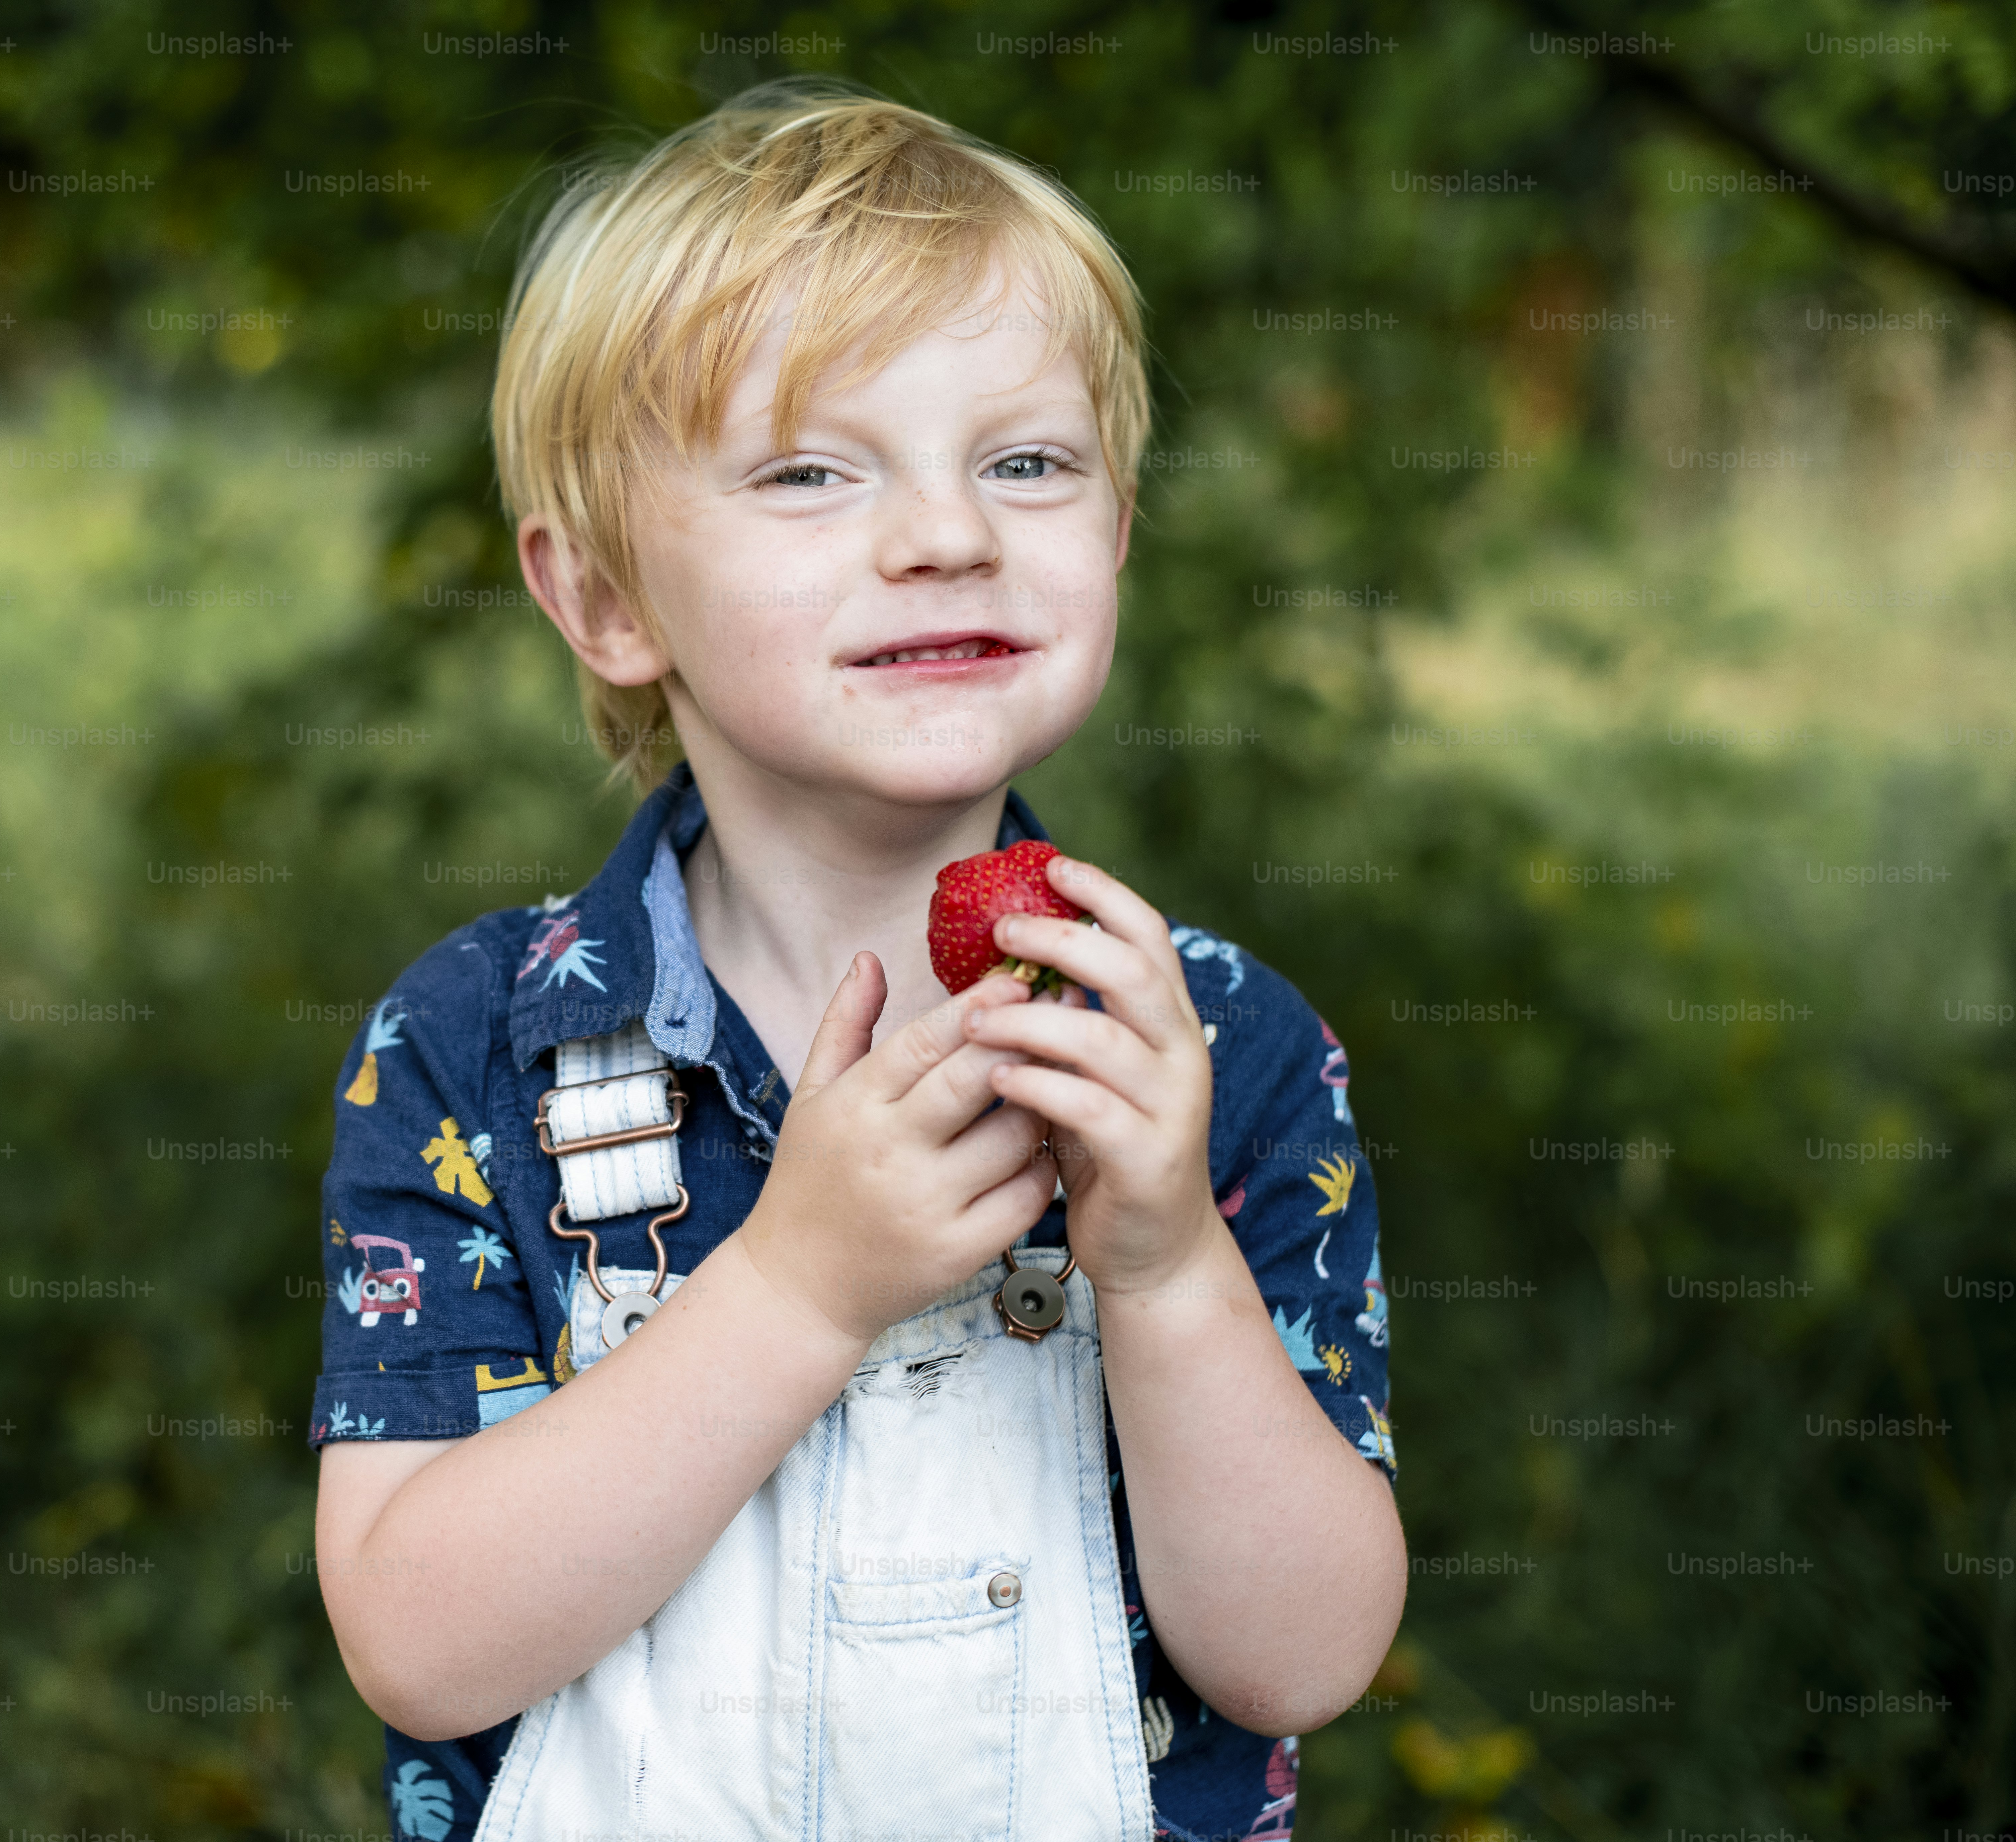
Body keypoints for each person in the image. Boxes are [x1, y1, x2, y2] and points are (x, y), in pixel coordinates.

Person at [308, 81, 1404, 1842]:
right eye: (811, 472)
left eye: (1026, 462)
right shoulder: (472, 1051)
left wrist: (1172, 1266)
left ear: (1115, 528)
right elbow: (425, 1648)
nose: (949, 534)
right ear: (603, 600)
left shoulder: (1213, 1043)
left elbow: (1302, 1661)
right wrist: (796, 1291)